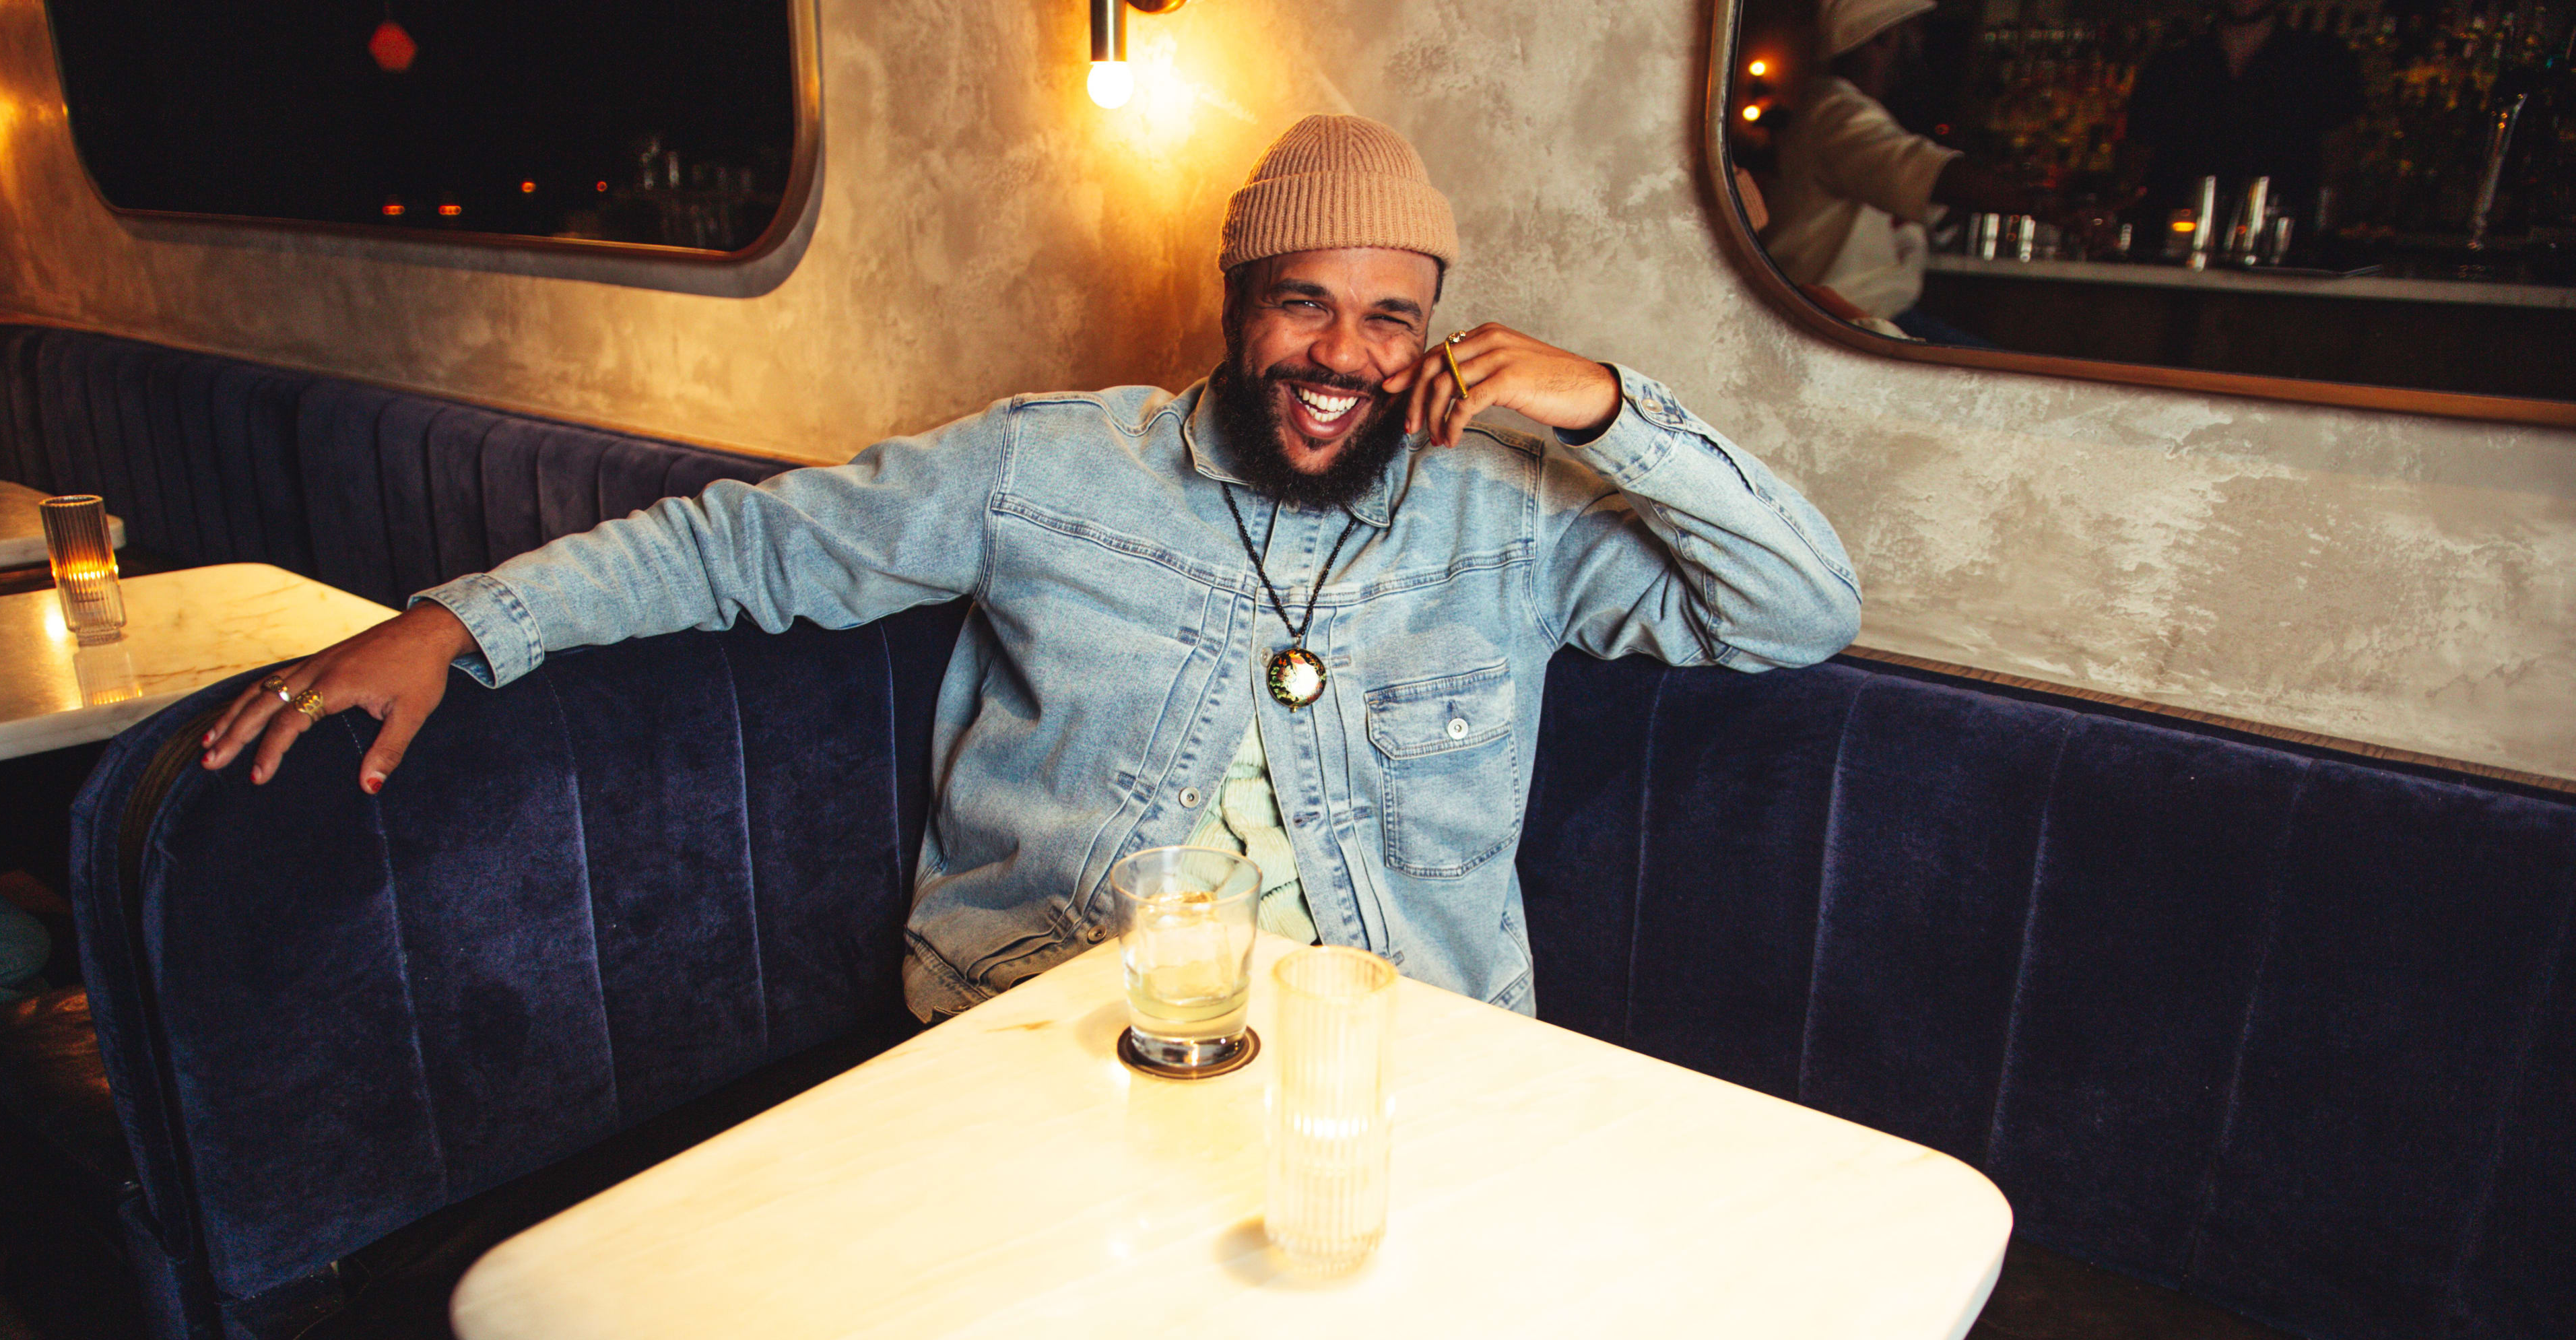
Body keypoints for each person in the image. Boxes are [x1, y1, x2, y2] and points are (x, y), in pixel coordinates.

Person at [203, 115, 1862, 1021]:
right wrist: (457, 619)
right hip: (1047, 1030)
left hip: (1396, 1053)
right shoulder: (1043, 465)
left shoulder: (1506, 519)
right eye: (1300, 301)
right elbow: (744, 547)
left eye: (1387, 315)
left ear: (1427, 332)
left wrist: (1604, 406)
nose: (1337, 353)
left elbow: (1798, 612)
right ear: (1235, 296)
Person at [1760, 0, 2049, 343]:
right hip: (1838, 321)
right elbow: (1930, 177)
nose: (1919, 46)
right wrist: (2047, 201)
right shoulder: (1836, 112)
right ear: (1880, 40)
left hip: (1865, 317)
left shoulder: (1837, 109)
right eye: (1910, 33)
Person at [2123, 0, 2364, 237]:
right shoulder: (2170, 68)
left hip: (2286, 254)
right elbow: (2135, 170)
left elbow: (2338, 169)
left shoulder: (2323, 62)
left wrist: (2323, 239)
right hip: (2172, 250)